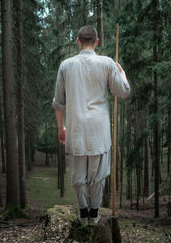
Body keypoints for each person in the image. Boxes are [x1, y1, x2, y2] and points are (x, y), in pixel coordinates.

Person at [52, 25, 130, 226]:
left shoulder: (66, 65)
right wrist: (121, 73)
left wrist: (61, 127)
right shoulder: (107, 63)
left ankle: (84, 213)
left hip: (76, 127)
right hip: (98, 128)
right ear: (96, 42)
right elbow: (123, 91)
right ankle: (94, 214)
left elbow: (59, 103)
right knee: (97, 175)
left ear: (78, 41)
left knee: (79, 174)